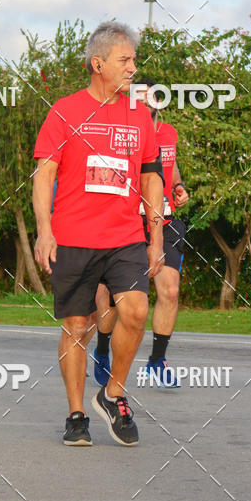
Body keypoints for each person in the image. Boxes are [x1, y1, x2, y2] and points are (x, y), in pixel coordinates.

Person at [33, 21, 165, 447]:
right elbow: (43, 174)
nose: (132, 68)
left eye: (133, 60)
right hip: (73, 235)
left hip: (125, 235)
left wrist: (155, 238)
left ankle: (113, 394)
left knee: (136, 311)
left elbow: (152, 178)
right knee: (77, 324)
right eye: (124, 60)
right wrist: (44, 231)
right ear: (97, 63)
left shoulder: (139, 114)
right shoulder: (65, 111)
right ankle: (75, 415)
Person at [93, 91, 190, 388]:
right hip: (126, 220)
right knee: (110, 297)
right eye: (141, 99)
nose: (148, 104)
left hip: (164, 220)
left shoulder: (169, 132)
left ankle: (157, 361)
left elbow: (170, 168)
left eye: (153, 99)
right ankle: (102, 348)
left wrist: (179, 186)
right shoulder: (122, 132)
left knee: (170, 291)